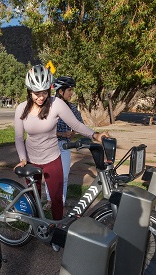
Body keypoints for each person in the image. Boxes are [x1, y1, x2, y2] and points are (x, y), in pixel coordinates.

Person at [14, 65, 108, 225]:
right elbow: (18, 137)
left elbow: (77, 125)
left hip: (52, 158)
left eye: (44, 92)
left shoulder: (56, 104)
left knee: (57, 198)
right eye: (37, 93)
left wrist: (95, 135)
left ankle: (56, 229)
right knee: (33, 196)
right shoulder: (21, 109)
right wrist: (23, 159)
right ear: (29, 91)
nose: (41, 97)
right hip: (31, 159)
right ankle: (35, 226)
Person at [43, 76, 82, 211]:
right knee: (50, 175)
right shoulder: (49, 106)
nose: (71, 93)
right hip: (51, 146)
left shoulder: (72, 107)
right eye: (69, 90)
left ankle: (61, 201)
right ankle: (49, 200)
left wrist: (73, 132)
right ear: (61, 91)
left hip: (65, 146)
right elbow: (43, 129)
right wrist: (61, 134)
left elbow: (79, 124)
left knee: (64, 176)